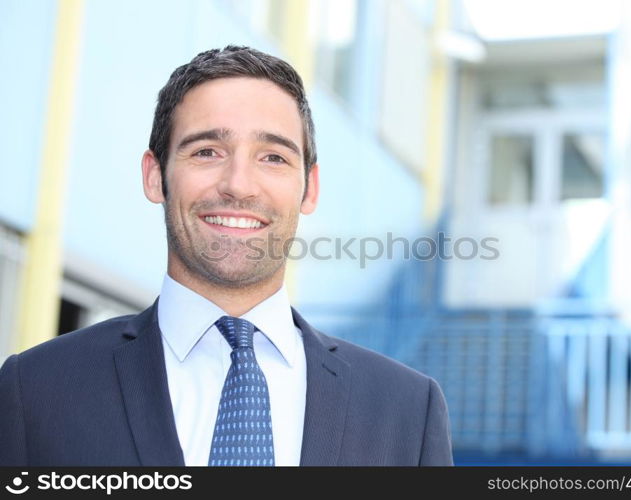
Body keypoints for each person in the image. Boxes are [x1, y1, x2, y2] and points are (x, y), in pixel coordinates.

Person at [0, 46, 452, 466]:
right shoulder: (35, 390)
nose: (238, 184)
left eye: (273, 157)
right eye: (207, 151)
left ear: (309, 188)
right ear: (156, 176)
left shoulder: (408, 412)